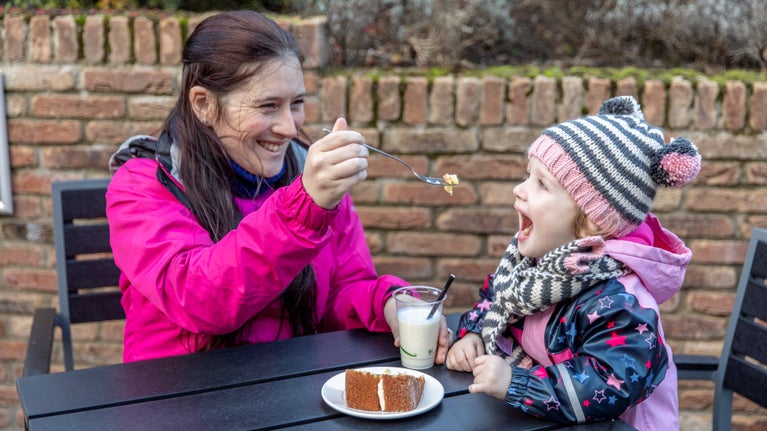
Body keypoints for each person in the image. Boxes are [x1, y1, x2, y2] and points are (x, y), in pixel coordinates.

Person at [105, 10, 451, 363]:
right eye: (268, 106)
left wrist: (387, 301)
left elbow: (340, 293)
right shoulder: (144, 184)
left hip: (287, 388)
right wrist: (305, 208)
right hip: (178, 396)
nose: (289, 128)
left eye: (296, 104)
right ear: (204, 104)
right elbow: (200, 298)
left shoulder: (308, 177)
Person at [445, 96, 701, 429]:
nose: (518, 190)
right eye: (527, 175)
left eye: (541, 184)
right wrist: (474, 334)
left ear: (593, 221)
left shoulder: (619, 302)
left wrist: (515, 383)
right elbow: (497, 300)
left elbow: (604, 387)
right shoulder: (538, 267)